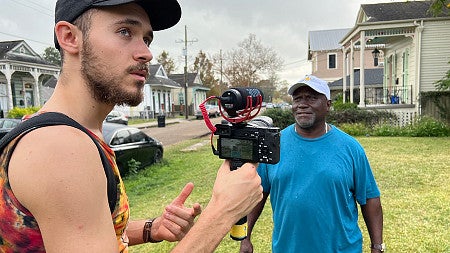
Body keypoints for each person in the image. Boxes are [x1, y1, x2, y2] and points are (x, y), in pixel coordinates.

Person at [0, 0, 263, 252]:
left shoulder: (66, 131)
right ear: (69, 37)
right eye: (125, 31)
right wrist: (222, 213)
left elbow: (78, 230)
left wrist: (152, 229)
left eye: (146, 39)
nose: (146, 53)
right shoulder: (61, 147)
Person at [240, 75, 384, 253]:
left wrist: (377, 246)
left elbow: (370, 198)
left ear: (328, 105)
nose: (302, 104)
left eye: (312, 97)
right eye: (297, 98)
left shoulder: (350, 148)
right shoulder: (274, 144)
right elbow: (258, 195)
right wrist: (246, 237)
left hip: (342, 248)